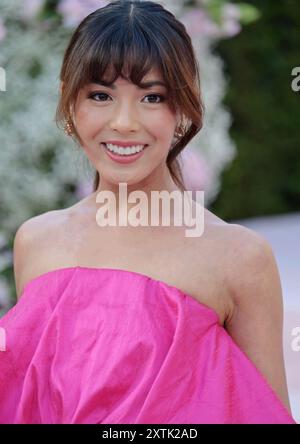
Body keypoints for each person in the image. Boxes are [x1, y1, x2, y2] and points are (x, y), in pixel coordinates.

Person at [0, 0, 297, 424]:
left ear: (184, 109)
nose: (124, 121)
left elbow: (263, 414)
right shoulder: (37, 242)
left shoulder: (238, 257)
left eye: (152, 97)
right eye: (100, 95)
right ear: (70, 104)